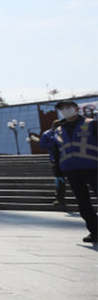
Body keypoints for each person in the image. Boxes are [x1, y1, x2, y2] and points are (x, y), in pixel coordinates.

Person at [52, 100, 97, 243]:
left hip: (93, 168)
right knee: (83, 203)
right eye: (62, 109)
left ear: (77, 109)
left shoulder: (92, 123)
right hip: (72, 171)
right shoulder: (58, 129)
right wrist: (58, 173)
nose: (65, 110)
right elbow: (57, 152)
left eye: (68, 107)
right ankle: (95, 232)